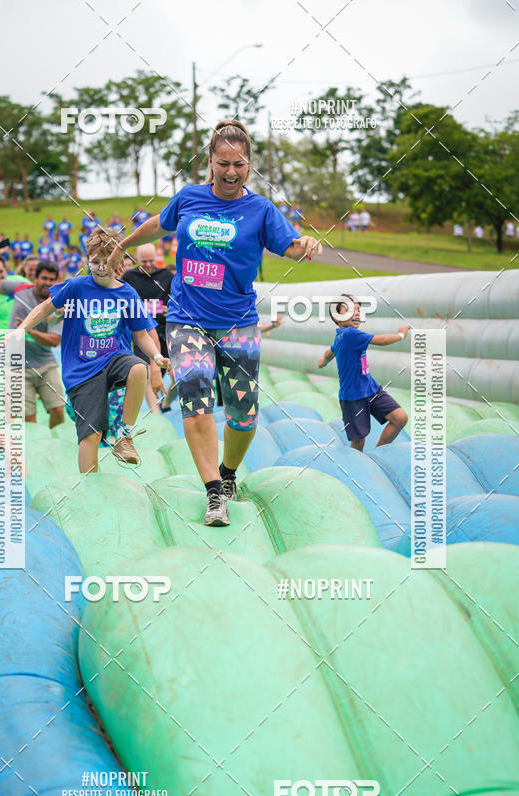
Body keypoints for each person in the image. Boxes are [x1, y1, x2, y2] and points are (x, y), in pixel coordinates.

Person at [111, 119, 322, 526]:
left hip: (238, 322)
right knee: (195, 397)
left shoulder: (260, 209)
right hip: (187, 319)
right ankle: (212, 491)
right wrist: (123, 242)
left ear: (249, 165)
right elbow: (159, 223)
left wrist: (307, 244)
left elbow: (290, 246)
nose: (230, 171)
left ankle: (228, 474)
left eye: (238, 164)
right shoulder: (188, 198)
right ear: (210, 160)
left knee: (244, 413)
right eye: (222, 162)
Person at [8, 226, 168, 473]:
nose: (102, 267)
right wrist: (23, 328)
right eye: (96, 261)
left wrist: (156, 356)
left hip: (114, 359)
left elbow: (140, 334)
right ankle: (89, 486)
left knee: (138, 368)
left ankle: (124, 435)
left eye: (108, 261)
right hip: (82, 371)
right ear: (87, 261)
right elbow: (45, 308)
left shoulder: (127, 293)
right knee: (90, 435)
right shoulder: (76, 287)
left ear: (120, 261)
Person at [317, 295, 408, 452]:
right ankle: (357, 466)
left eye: (358, 310)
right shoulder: (350, 334)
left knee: (400, 418)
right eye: (350, 310)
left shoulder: (342, 337)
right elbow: (382, 340)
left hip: (371, 389)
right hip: (353, 397)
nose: (357, 313)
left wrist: (323, 362)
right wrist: (401, 335)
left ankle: (377, 454)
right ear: (336, 317)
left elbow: (330, 351)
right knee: (358, 442)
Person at [0, 250, 65, 429]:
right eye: (44, 278)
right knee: (28, 420)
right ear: (35, 278)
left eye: (52, 279)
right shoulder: (20, 290)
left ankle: (48, 441)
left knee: (59, 412)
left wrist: (27, 330)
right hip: (16, 364)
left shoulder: (57, 303)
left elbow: (54, 340)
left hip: (45, 363)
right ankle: (33, 449)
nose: (48, 283)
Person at [123, 243, 175, 413]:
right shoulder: (129, 277)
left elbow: (178, 298)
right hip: (141, 331)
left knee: (171, 371)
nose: (147, 265)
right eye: (143, 261)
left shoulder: (166, 275)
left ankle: (165, 403)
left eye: (151, 261)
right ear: (137, 260)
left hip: (164, 330)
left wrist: (173, 309)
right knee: (146, 371)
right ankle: (155, 413)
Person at [0, 254, 28, 332]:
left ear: (6, 269)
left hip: (25, 337)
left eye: (0, 271)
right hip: (2, 339)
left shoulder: (20, 282)